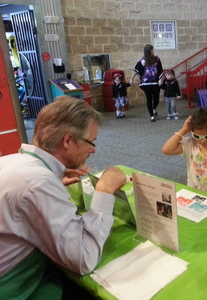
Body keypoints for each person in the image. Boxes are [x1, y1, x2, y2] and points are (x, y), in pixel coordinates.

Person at [0, 96, 127, 299]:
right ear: (67, 140)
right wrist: (104, 191)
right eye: (90, 142)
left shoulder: (12, 161)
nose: (93, 150)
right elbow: (83, 259)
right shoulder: (38, 183)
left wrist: (54, 183)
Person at [130, 44, 163, 122]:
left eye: (152, 50)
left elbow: (160, 69)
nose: (152, 52)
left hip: (155, 82)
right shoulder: (142, 61)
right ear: (147, 52)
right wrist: (132, 78)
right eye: (151, 51)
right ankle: (151, 115)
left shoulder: (157, 59)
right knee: (149, 99)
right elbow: (136, 70)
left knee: (156, 99)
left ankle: (154, 108)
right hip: (146, 83)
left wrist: (161, 78)